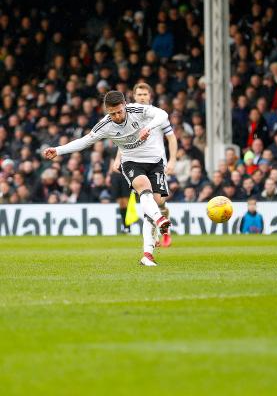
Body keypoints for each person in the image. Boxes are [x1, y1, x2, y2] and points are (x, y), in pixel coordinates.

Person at [43, 91, 172, 266]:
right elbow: (84, 141)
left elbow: (163, 114)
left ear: (125, 105)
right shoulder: (104, 125)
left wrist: (148, 127)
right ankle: (154, 234)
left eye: (119, 111)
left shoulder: (137, 110)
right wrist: (58, 150)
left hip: (155, 161)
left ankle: (148, 252)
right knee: (143, 187)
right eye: (112, 113)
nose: (117, 116)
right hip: (131, 162)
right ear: (106, 111)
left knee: (154, 202)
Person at [113, 82, 177, 247]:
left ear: (150, 96)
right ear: (134, 96)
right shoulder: (130, 116)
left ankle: (164, 229)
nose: (142, 97)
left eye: (145, 94)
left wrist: (172, 160)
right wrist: (117, 158)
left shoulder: (158, 115)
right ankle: (154, 236)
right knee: (147, 197)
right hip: (136, 162)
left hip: (157, 162)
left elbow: (171, 138)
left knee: (160, 201)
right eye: (139, 94)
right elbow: (126, 141)